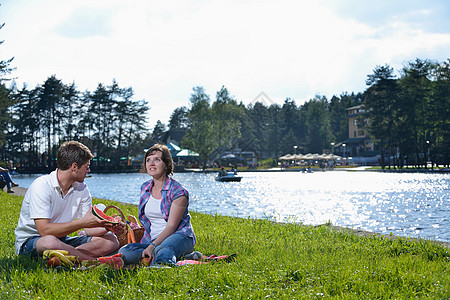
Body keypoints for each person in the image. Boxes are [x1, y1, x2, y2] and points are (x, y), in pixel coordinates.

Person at [14, 141, 122, 261]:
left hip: (61, 240)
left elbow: (89, 230)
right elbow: (44, 230)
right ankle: (91, 262)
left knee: (111, 240)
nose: (89, 170)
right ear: (74, 167)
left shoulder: (82, 188)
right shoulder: (42, 185)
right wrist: (81, 223)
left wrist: (107, 226)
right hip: (33, 241)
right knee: (50, 242)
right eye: (87, 167)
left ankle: (63, 258)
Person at [118, 144, 196, 266]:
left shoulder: (178, 191)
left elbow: (171, 227)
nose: (151, 163)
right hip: (153, 238)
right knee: (125, 251)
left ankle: (162, 265)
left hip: (180, 236)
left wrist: (153, 246)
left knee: (163, 249)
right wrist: (150, 245)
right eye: (148, 160)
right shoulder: (145, 188)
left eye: (157, 160)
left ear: (166, 164)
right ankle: (181, 257)